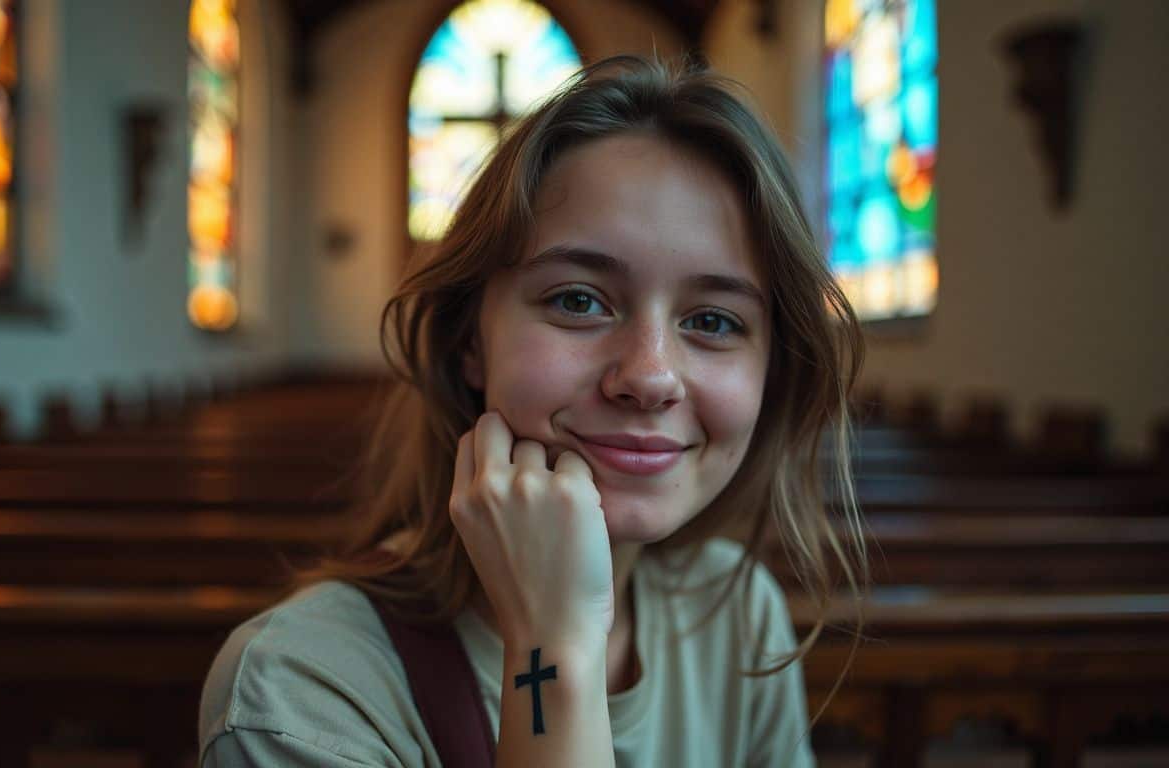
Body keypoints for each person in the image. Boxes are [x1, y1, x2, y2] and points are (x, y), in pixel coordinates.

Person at [198, 54, 870, 767]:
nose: (649, 377)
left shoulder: (736, 613)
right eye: (578, 300)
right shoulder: (302, 696)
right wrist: (554, 646)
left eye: (713, 320)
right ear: (470, 344)